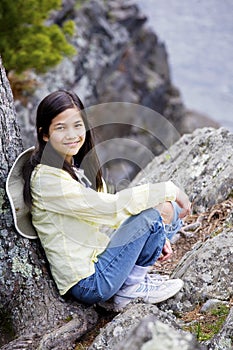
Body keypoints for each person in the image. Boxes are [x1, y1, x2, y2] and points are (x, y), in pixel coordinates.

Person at [14, 90, 192, 309]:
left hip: (99, 259)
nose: (72, 135)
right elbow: (109, 209)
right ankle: (129, 290)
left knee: (168, 212)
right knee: (157, 210)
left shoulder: (75, 168)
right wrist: (165, 190)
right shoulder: (47, 180)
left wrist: (154, 234)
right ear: (45, 135)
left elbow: (112, 216)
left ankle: (130, 283)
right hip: (89, 282)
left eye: (77, 125)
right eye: (61, 128)